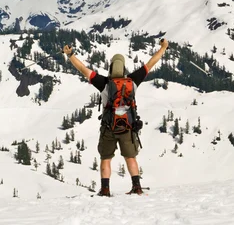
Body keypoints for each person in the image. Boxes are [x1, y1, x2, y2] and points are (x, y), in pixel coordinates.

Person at [63, 38, 169, 196]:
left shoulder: (104, 83)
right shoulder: (133, 81)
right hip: (127, 127)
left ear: (111, 66)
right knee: (130, 157)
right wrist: (163, 48)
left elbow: (83, 69)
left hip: (108, 127)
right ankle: (137, 187)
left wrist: (70, 55)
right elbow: (151, 63)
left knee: (106, 158)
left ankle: (105, 190)